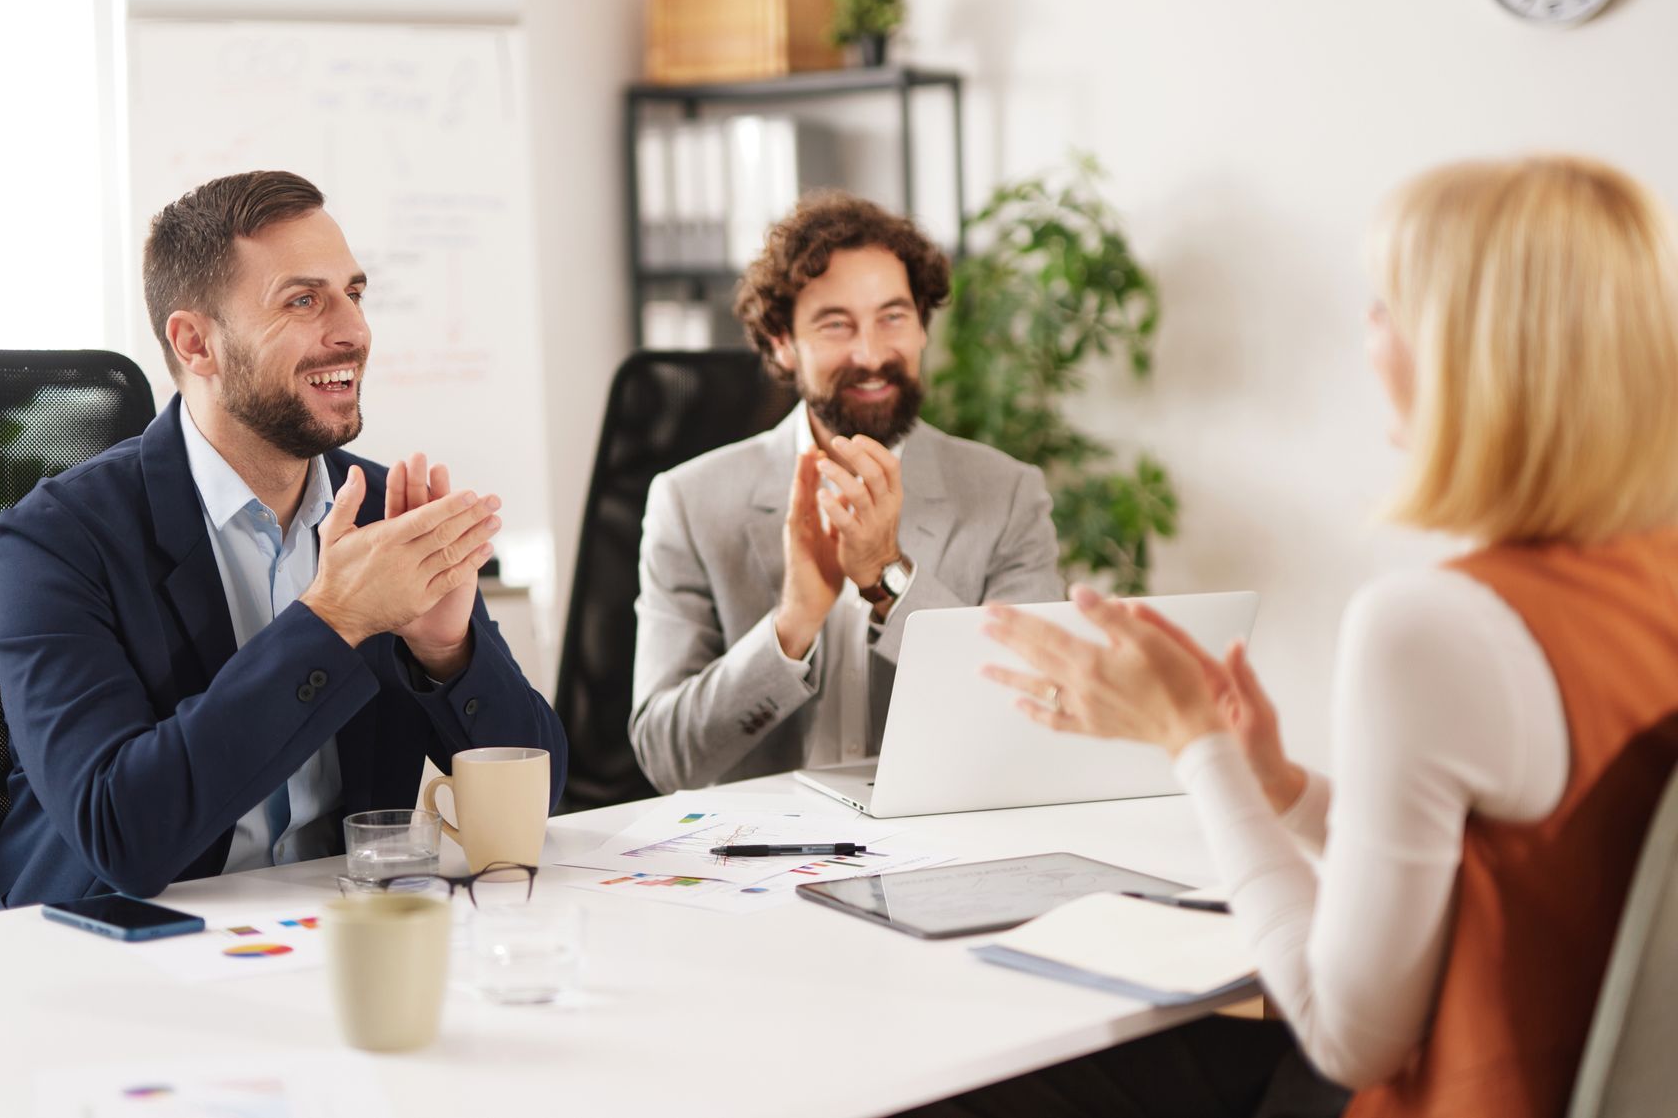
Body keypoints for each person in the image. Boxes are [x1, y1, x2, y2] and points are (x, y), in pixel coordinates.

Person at [964, 154, 1678, 1117]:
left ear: (1471, 353)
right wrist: (1279, 786)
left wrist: (1197, 746)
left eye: (1386, 307)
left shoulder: (1438, 626)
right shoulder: (1652, 579)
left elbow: (1349, 1032)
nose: (1368, 336)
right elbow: (1528, 866)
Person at [0, 171, 566, 911]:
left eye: (354, 292)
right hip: (115, 948)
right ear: (196, 343)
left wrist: (449, 653)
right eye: (303, 299)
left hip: (333, 928)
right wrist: (335, 620)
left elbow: (542, 802)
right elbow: (123, 832)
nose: (353, 329)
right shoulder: (56, 540)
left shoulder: (381, 510)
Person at [630, 192, 1063, 793]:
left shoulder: (1007, 494)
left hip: (943, 846)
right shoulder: (690, 500)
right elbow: (666, 758)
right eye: (836, 324)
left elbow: (1037, 714)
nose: (870, 354)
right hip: (758, 861)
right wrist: (793, 624)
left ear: (922, 328)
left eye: (894, 317)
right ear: (783, 342)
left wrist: (890, 578)